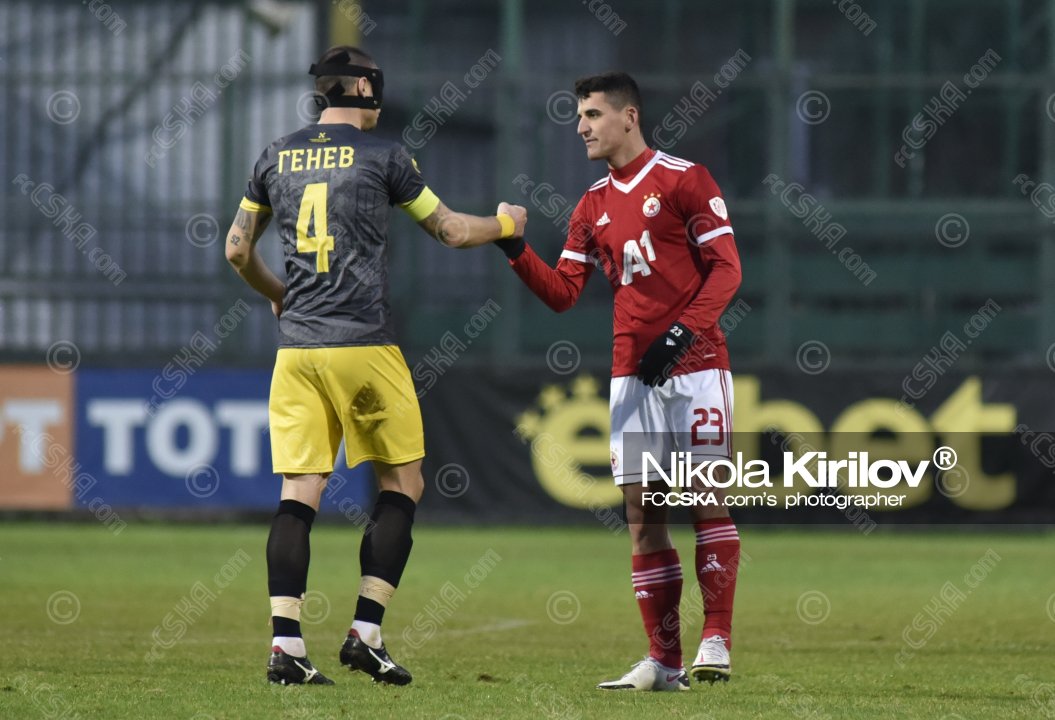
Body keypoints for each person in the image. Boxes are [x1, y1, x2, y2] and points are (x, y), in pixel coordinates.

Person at [224, 45, 527, 686]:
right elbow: (449, 230)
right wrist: (505, 225)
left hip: (296, 353)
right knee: (403, 484)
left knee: (298, 493)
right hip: (363, 344)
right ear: (364, 89)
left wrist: (279, 295)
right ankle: (365, 632)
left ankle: (286, 646)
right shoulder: (384, 156)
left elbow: (236, 249)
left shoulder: (274, 154)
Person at [495, 72, 742, 690]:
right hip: (632, 377)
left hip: (698, 366)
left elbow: (727, 271)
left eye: (592, 115)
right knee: (642, 516)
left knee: (705, 497)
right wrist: (516, 248)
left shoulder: (685, 179)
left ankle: (716, 637)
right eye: (579, 116)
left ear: (629, 117)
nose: (581, 127)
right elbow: (563, 293)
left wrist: (681, 335)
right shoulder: (591, 206)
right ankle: (664, 662)